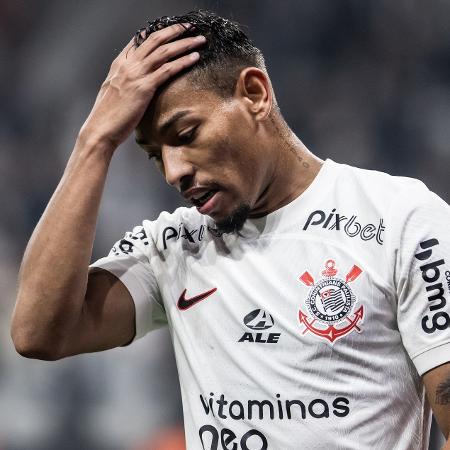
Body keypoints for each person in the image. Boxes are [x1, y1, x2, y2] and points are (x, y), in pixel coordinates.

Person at [10, 9, 450, 450]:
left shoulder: (400, 220)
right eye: (154, 155)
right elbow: (40, 333)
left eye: (185, 133)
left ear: (255, 94)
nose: (173, 171)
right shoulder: (175, 247)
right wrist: (95, 142)